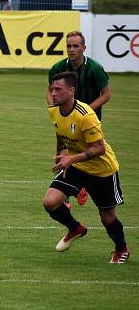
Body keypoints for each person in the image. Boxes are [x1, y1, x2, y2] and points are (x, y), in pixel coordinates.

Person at [42, 71, 128, 264]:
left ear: (71, 91)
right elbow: (60, 132)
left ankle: (121, 248)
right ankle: (75, 228)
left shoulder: (86, 115)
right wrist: (62, 154)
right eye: (52, 89)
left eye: (58, 89)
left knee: (107, 217)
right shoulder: (54, 110)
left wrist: (70, 160)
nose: (53, 93)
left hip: (102, 170)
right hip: (76, 165)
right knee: (50, 202)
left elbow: (99, 148)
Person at [45, 31, 111, 206]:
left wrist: (86, 109)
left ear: (84, 48)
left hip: (88, 121)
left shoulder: (95, 69)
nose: (71, 49)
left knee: (91, 154)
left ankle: (83, 186)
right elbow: (48, 90)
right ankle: (64, 195)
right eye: (68, 46)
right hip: (66, 118)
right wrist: (53, 106)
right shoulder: (58, 68)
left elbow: (106, 95)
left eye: (75, 46)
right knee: (63, 151)